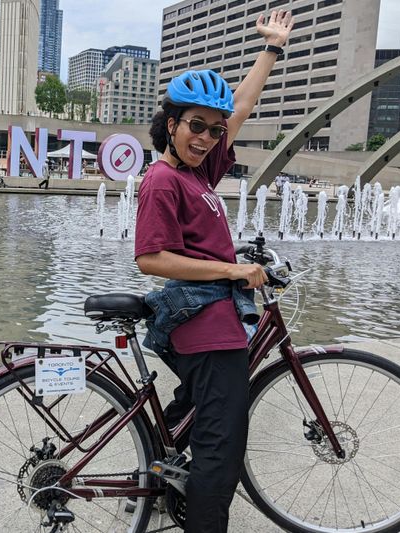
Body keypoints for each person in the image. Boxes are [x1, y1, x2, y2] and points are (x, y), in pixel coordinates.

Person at [134, 10, 293, 533]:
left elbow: (240, 107)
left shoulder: (197, 171)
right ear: (171, 124)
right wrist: (232, 269)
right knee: (220, 452)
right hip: (205, 327)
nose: (205, 136)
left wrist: (271, 49)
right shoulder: (163, 180)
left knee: (196, 416)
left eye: (213, 129)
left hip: (211, 320)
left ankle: (164, 478)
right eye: (194, 125)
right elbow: (151, 259)